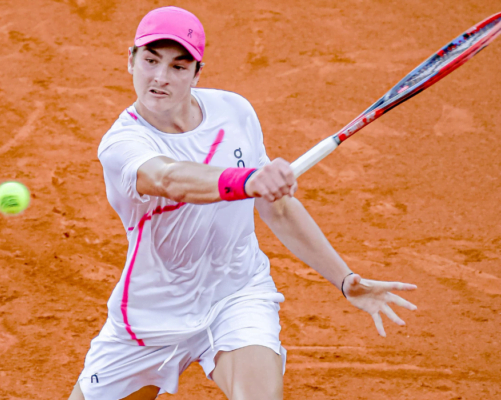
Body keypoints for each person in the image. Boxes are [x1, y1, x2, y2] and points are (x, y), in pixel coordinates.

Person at [69, 6, 417, 400]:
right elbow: (170, 178)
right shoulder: (122, 145)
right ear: (130, 60)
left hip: (235, 292)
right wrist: (248, 180)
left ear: (197, 74)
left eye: (179, 67)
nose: (160, 78)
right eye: (150, 61)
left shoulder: (234, 112)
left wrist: (344, 278)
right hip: (151, 316)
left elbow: (278, 208)